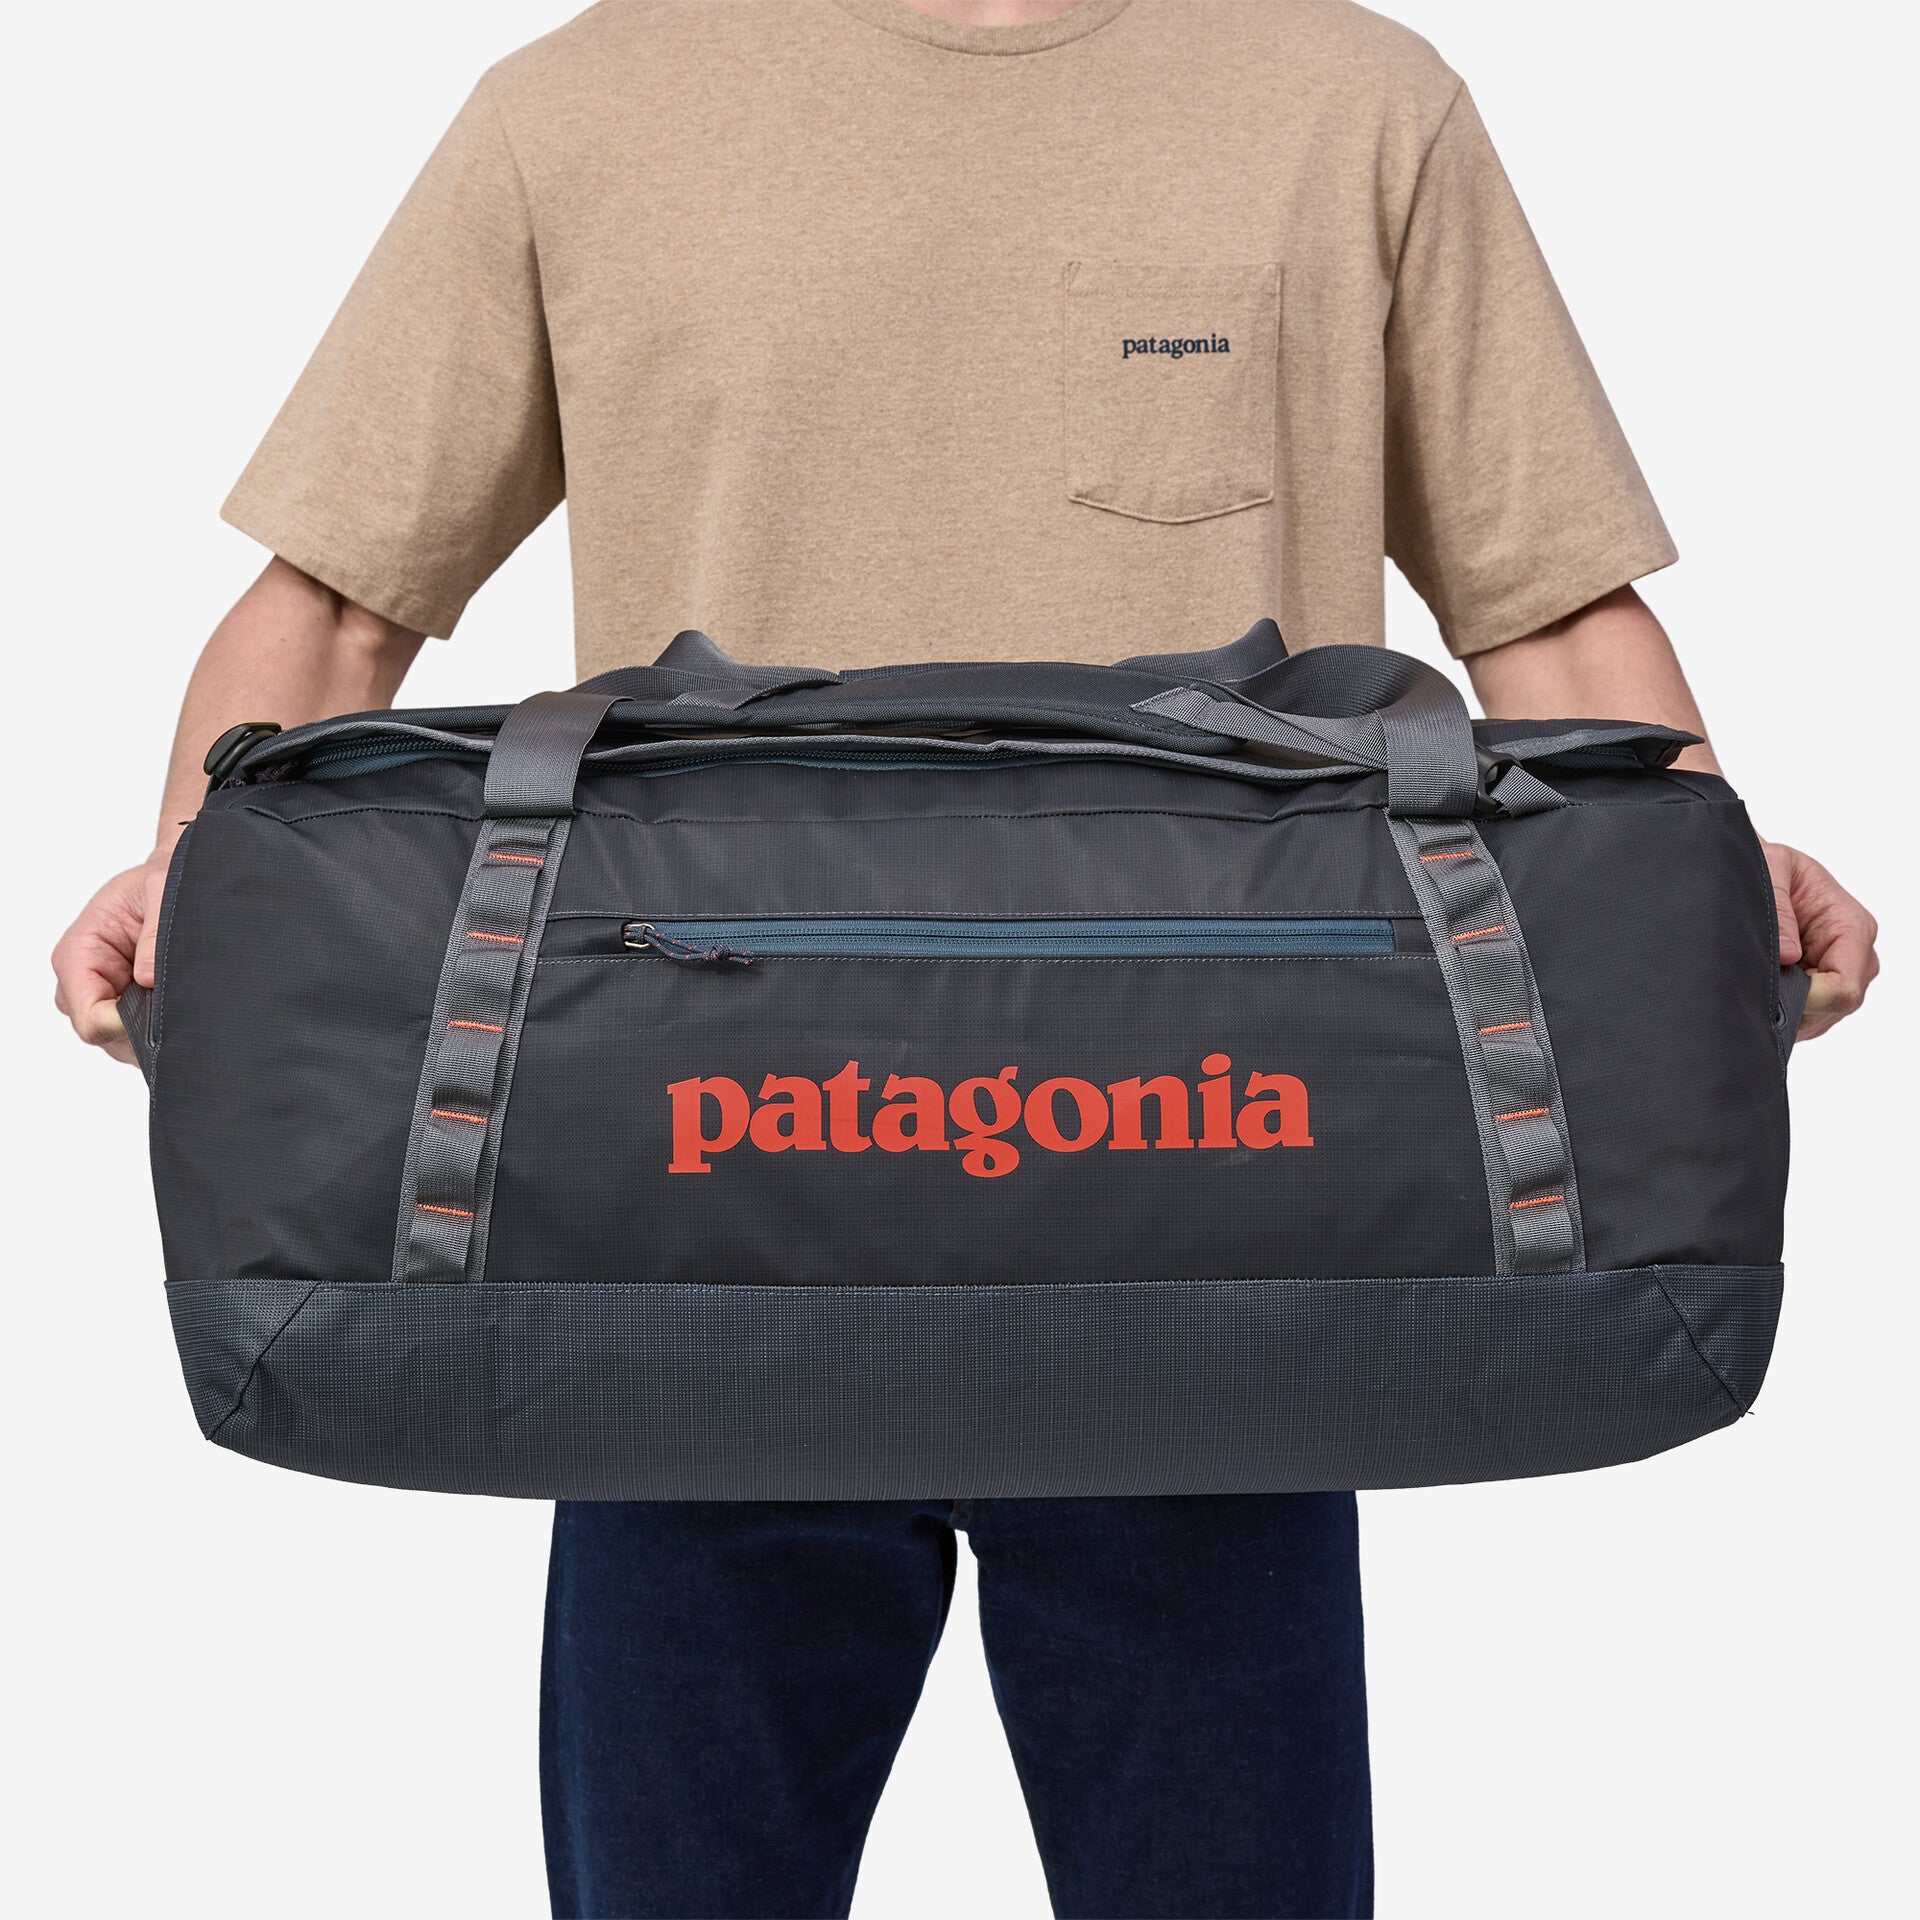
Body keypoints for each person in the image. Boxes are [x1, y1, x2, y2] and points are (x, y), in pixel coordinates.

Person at [52, 3, 1878, 1915]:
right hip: (698, 1217)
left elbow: (1551, 609)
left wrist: (1695, 881)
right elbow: (339, 607)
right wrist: (200, 888)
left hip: (1216, 1213)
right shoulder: (577, 110)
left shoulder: (1352, 100)